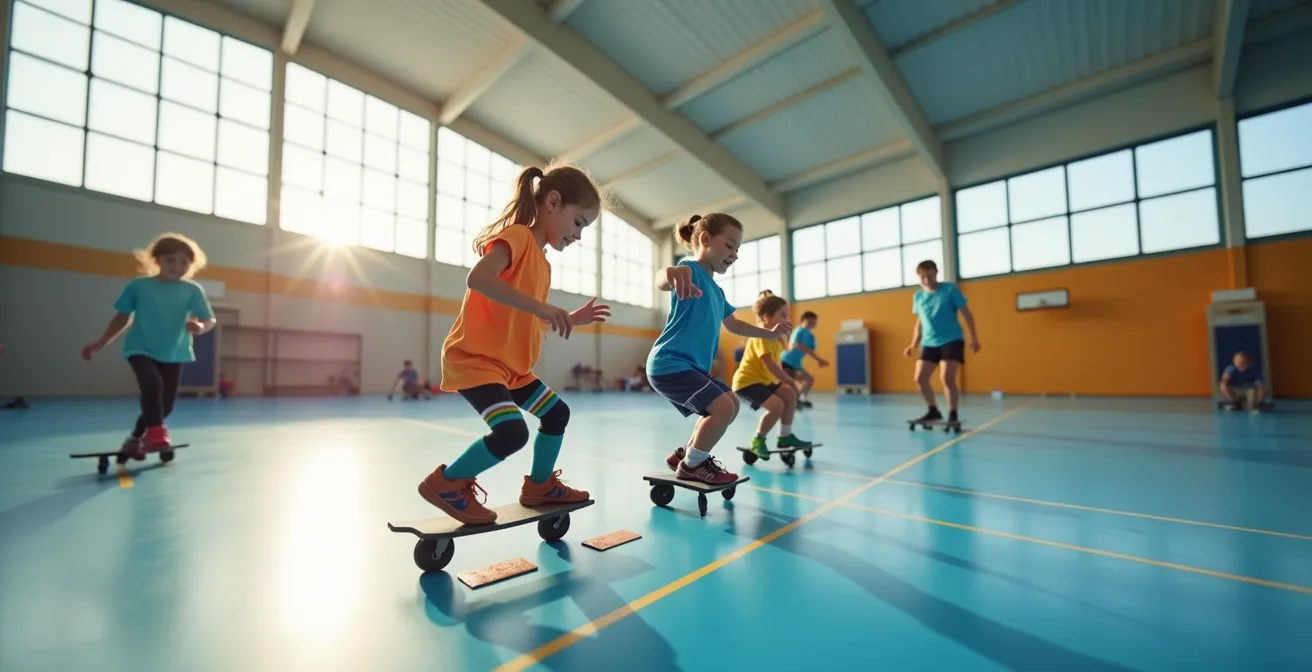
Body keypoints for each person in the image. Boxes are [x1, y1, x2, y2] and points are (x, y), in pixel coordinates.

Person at [417, 163, 610, 526]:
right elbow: (478, 278)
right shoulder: (518, 237)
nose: (579, 235)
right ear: (553, 202)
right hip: (476, 360)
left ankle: (539, 487)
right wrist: (543, 307)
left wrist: (568, 317)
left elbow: (523, 315)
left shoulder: (544, 263)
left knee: (557, 414)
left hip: (513, 370)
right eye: (580, 222)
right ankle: (446, 483)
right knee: (510, 432)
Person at [647, 213, 792, 485]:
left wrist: (770, 333)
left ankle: (686, 455)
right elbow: (662, 280)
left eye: (738, 249)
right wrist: (669, 273)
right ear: (705, 239)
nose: (734, 254)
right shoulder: (689, 269)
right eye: (729, 245)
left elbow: (735, 325)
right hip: (670, 364)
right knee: (722, 408)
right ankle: (693, 465)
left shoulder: (717, 291)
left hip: (690, 368)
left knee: (732, 405)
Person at [82, 233, 217, 460]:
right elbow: (121, 317)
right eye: (170, 260)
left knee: (166, 406)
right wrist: (100, 342)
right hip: (140, 347)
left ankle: (136, 438)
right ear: (157, 260)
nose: (177, 266)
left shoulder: (192, 290)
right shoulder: (139, 286)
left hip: (174, 352)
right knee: (151, 383)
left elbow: (209, 319)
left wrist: (201, 326)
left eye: (184, 262)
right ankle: (156, 434)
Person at [732, 291, 814, 461]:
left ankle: (785, 436)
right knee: (777, 406)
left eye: (787, 315)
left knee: (790, 396)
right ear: (765, 318)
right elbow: (770, 363)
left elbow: (783, 353)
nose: (787, 319)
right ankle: (758, 439)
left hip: (764, 380)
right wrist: (788, 380)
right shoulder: (761, 335)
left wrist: (784, 333)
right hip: (748, 382)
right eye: (782, 315)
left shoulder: (775, 337)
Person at [902, 259, 979, 427]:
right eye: (923, 277)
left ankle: (953, 414)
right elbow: (920, 321)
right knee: (920, 378)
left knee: (947, 378)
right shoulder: (918, 296)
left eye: (929, 275)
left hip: (951, 339)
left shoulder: (949, 290)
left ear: (936, 273)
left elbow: (966, 313)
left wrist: (974, 337)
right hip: (929, 342)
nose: (927, 280)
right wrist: (913, 343)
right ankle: (933, 410)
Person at [780, 310, 828, 407]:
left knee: (809, 380)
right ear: (803, 321)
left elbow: (810, 351)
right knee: (800, 381)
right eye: (810, 321)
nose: (812, 323)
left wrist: (818, 359)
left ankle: (801, 399)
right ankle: (795, 399)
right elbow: (796, 344)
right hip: (787, 361)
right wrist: (818, 359)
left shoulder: (810, 336)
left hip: (796, 363)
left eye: (814, 321)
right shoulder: (799, 330)